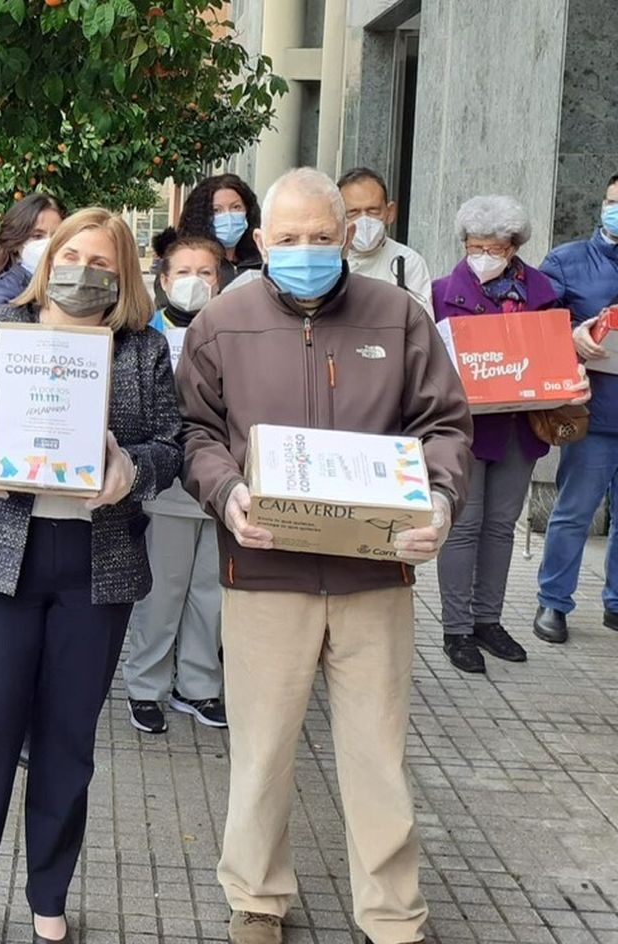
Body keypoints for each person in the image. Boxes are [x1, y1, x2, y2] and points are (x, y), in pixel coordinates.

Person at [178, 168, 472, 944]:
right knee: (263, 750)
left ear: (346, 236)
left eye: (320, 237)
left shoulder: (400, 317)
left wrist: (439, 500)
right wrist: (225, 490)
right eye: (288, 239)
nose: (304, 251)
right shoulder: (223, 322)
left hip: (376, 572)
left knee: (378, 752)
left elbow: (445, 425)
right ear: (262, 243)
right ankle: (256, 898)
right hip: (265, 570)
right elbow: (196, 434)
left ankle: (393, 914)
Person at [0, 208, 183, 944]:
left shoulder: (141, 348)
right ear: (47, 258)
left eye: (104, 263)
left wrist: (131, 469)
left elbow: (169, 442)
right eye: (73, 255)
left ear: (124, 274)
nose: (85, 272)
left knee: (68, 741)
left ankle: (48, 894)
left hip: (95, 567)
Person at [430, 195, 589, 672]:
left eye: (494, 248)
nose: (483, 255)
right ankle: (456, 630)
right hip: (464, 430)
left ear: (514, 247)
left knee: (501, 527)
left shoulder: (542, 292)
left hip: (520, 428)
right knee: (463, 525)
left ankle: (488, 621)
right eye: (474, 246)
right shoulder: (441, 292)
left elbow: (559, 353)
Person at [126, 235, 227, 734]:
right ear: (163, 281)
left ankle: (200, 686)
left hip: (222, 481)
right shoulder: (144, 338)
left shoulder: (232, 331)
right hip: (167, 484)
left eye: (205, 272)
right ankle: (146, 687)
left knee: (211, 592)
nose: (195, 282)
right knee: (162, 592)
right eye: (183, 272)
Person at [536, 172, 618, 644]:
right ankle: (553, 603)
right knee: (573, 512)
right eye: (612, 202)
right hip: (592, 413)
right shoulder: (568, 262)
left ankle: (617, 603)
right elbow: (539, 325)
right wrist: (572, 337)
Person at [338, 167, 434, 316]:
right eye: (353, 212)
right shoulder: (328, 263)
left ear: (390, 212)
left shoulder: (409, 262)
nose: (364, 220)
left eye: (373, 211)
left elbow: (422, 328)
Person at [0, 193, 66, 310]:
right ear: (15, 243)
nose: (49, 243)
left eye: (57, 236)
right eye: (37, 236)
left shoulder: (61, 287)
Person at [177, 173, 264, 289]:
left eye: (236, 207)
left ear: (248, 211)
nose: (228, 217)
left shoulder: (263, 262)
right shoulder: (182, 264)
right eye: (216, 210)